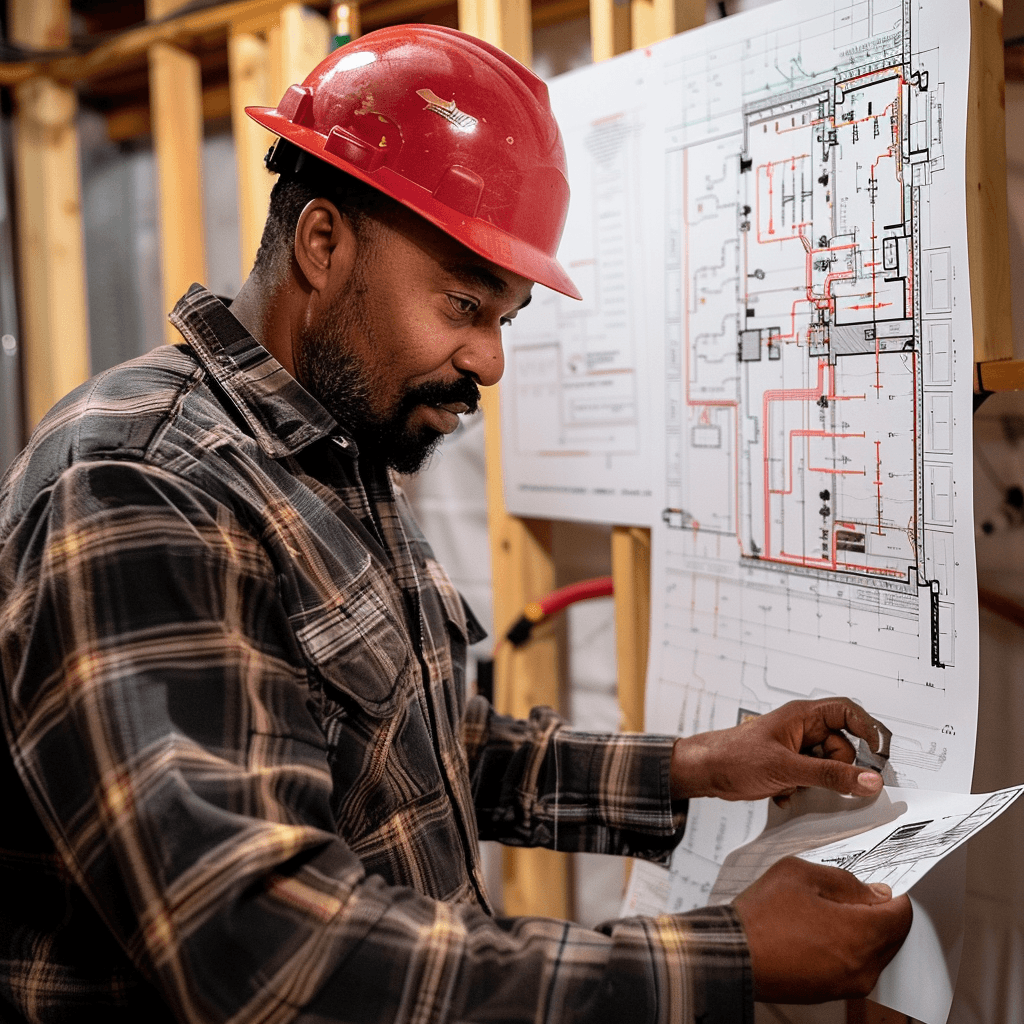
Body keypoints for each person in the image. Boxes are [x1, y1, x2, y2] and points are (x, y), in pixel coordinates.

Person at [0, 24, 911, 1024]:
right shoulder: (140, 484)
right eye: (463, 303)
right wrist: (719, 956)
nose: (489, 359)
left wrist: (698, 765)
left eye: (503, 319)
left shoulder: (331, 450)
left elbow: (423, 750)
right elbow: (259, 947)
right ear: (321, 244)